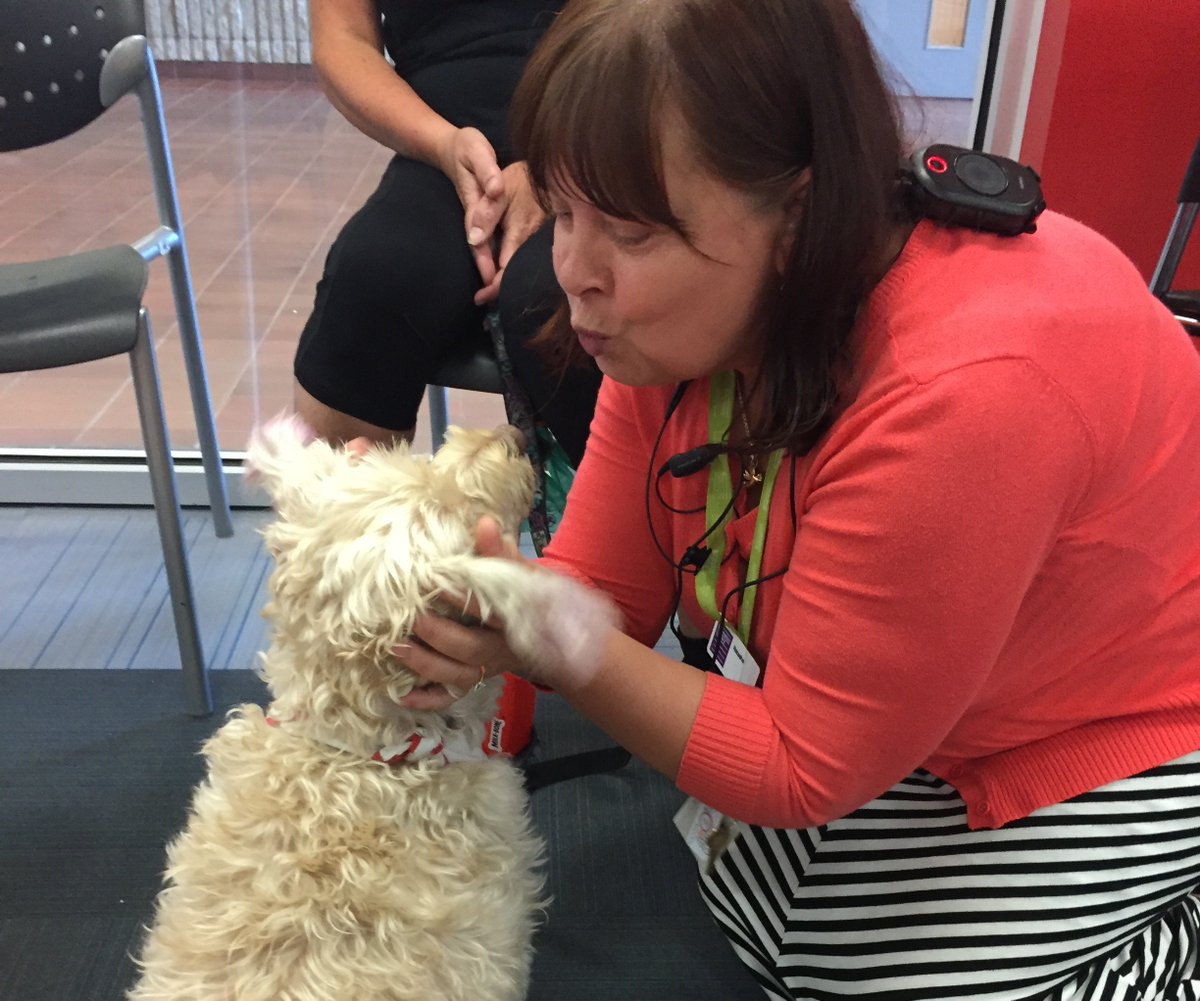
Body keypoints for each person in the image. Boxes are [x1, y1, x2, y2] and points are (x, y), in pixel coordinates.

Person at [389, 0, 1200, 997]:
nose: (572, 274)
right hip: (943, 683)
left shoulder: (963, 394)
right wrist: (503, 614)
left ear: (798, 215)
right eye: (562, 212)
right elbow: (607, 585)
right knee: (765, 914)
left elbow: (798, 768)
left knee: (844, 965)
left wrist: (548, 634)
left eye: (631, 232)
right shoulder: (685, 320)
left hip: (1132, 721)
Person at [292, 0, 600, 466]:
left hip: (603, 132)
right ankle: (344, 512)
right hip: (444, 143)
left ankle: (638, 505)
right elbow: (343, 39)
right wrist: (443, 144)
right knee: (377, 279)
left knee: (559, 292)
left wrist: (560, 165)